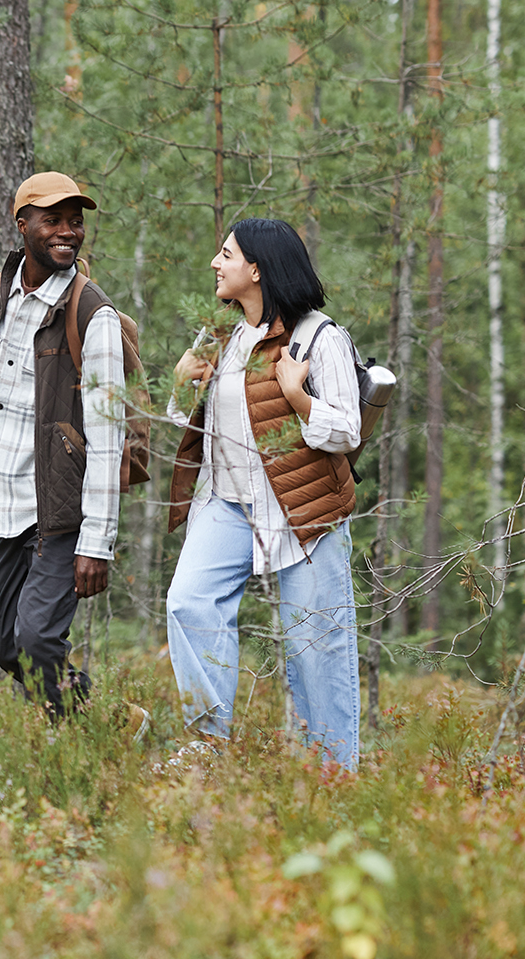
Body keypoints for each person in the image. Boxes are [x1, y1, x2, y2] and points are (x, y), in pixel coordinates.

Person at [165, 217, 360, 770]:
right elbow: (188, 417)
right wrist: (184, 380)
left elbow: (347, 431)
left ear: (256, 268)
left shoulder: (320, 337)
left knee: (316, 646)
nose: (214, 263)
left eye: (225, 254)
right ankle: (207, 749)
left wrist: (296, 395)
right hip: (226, 502)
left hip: (304, 510)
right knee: (189, 603)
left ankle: (335, 774)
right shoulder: (219, 335)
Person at [0, 172, 130, 720]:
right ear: (22, 224)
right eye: (53, 220)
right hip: (0, 502)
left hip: (59, 508)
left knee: (37, 640)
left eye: (76, 222)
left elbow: (107, 431)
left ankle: (83, 743)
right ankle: (103, 723)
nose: (67, 232)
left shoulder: (92, 313)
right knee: (1, 641)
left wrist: (98, 541)